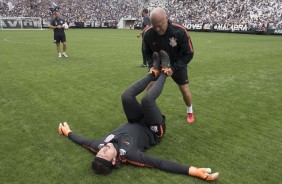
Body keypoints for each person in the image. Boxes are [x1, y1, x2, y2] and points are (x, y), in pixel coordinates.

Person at [58, 51, 219, 181]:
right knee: (147, 100)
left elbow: (83, 141)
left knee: (126, 97)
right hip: (154, 129)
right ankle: (165, 70)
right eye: (105, 154)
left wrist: (68, 132)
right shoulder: (129, 155)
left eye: (99, 153)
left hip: (135, 120)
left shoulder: (99, 146)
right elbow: (160, 163)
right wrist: (193, 171)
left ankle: (153, 71)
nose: (102, 150)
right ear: (114, 161)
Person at [143, 7, 195, 124]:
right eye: (154, 25)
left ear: (167, 18)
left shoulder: (180, 31)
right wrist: (152, 65)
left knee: (185, 90)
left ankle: (190, 111)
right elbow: (147, 53)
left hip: (177, 65)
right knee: (149, 89)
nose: (157, 28)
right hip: (159, 64)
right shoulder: (148, 34)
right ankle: (145, 111)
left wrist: (174, 68)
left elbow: (189, 54)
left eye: (160, 25)